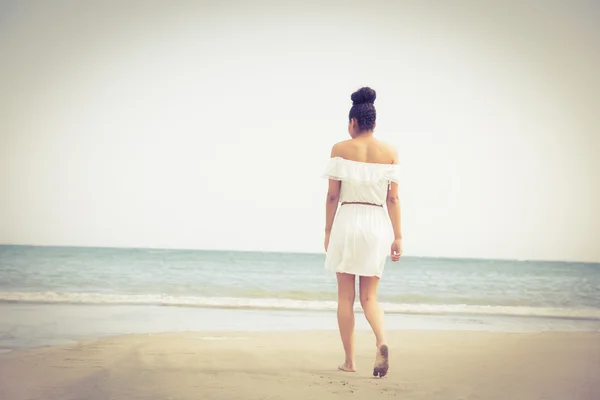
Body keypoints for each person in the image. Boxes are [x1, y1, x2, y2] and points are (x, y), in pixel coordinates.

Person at [323, 86, 402, 378]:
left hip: (348, 219)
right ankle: (381, 341)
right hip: (376, 222)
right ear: (375, 124)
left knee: (345, 297)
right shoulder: (390, 152)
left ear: (353, 123)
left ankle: (350, 361)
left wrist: (328, 230)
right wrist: (398, 236)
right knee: (370, 298)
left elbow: (332, 196)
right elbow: (393, 198)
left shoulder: (340, 149)